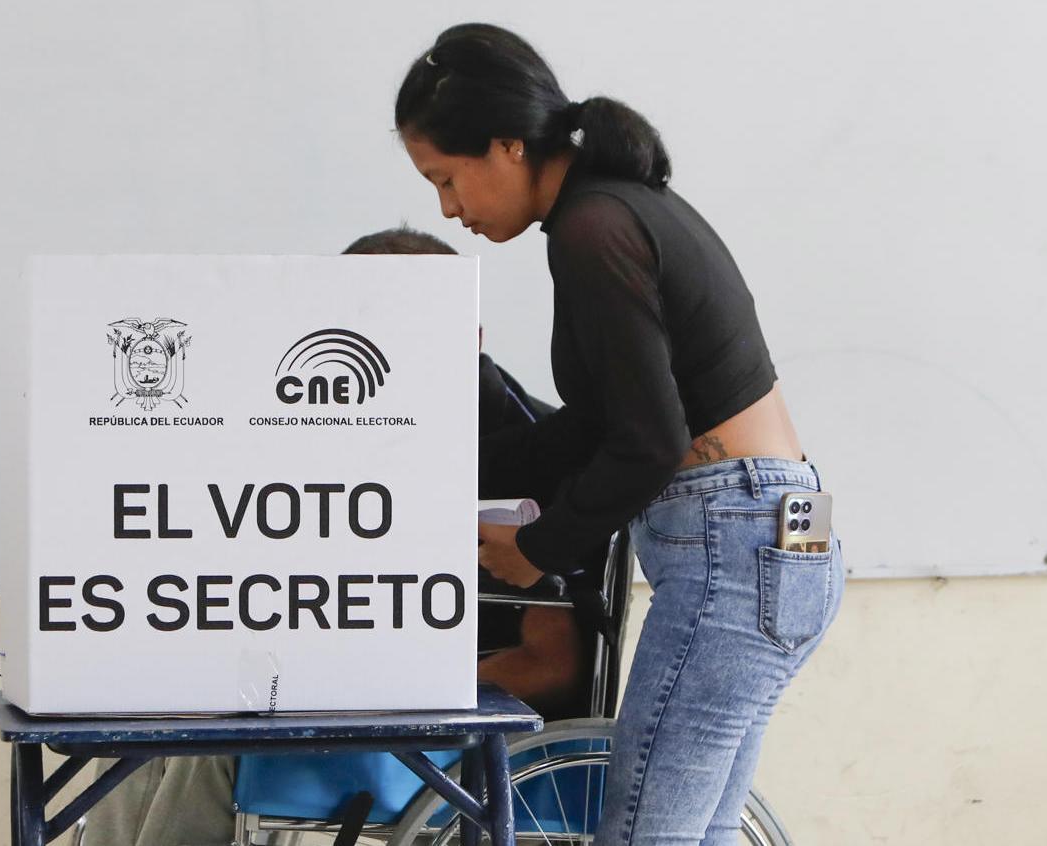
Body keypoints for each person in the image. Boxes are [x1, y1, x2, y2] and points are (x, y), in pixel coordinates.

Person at [392, 23, 846, 845]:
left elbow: (646, 441)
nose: (448, 209)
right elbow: (605, 421)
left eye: (445, 179)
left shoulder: (591, 229)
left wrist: (537, 550)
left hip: (731, 547)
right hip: (778, 537)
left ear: (505, 147)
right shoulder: (622, 210)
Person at [81, 226, 592, 846]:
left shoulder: (536, 455)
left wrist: (380, 684)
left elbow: (556, 665)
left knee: (208, 752)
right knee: (138, 734)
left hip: (464, 727)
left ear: (466, 337)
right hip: (346, 692)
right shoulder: (342, 433)